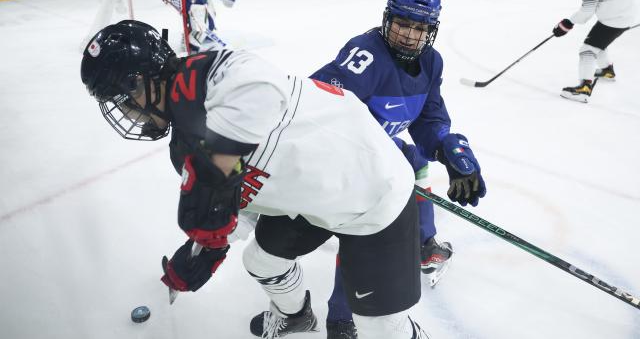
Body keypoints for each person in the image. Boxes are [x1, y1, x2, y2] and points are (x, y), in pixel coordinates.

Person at [79, 20, 482, 338]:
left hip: (373, 196)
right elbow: (237, 200)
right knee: (261, 258)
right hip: (314, 203)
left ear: (143, 82)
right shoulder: (183, 148)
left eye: (123, 100)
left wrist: (215, 167)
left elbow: (260, 89)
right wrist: (207, 244)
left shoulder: (218, 72)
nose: (126, 114)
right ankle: (296, 317)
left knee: (378, 329)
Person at [311, 0, 486, 339]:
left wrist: (448, 146)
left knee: (415, 165)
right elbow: (319, 104)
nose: (410, 35)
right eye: (404, 23)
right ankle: (340, 319)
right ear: (388, 19)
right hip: (342, 157)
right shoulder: (365, 55)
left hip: (379, 151)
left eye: (420, 28)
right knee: (362, 232)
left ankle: (423, 245)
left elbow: (429, 117)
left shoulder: (431, 62)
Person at [553, 0, 636, 103]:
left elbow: (586, 13)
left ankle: (584, 88)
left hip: (616, 18)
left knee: (587, 50)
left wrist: (566, 24)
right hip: (621, 14)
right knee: (597, 43)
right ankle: (607, 70)